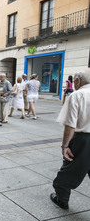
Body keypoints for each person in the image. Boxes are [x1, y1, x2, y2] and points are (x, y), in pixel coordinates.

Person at [50, 69, 90, 210]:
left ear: (78, 81)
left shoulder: (78, 95)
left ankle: (62, 199)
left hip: (83, 140)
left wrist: (65, 146)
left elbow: (70, 125)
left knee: (67, 173)